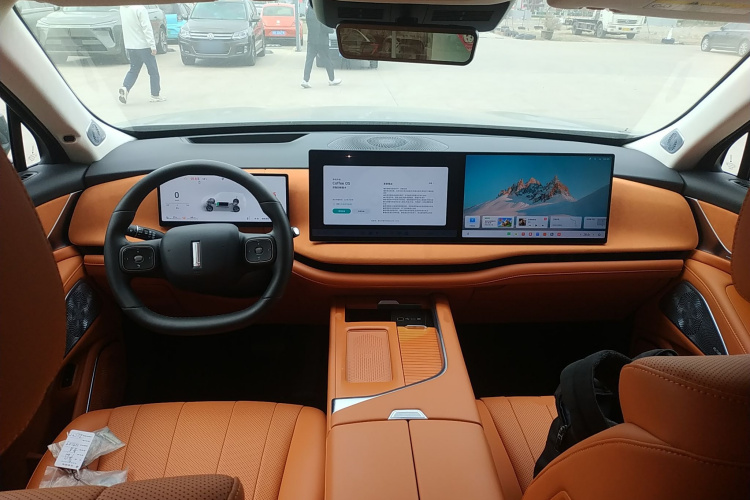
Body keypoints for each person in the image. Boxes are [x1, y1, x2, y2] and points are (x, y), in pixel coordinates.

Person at [118, 5, 165, 103]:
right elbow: (147, 28)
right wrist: (152, 46)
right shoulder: (140, 9)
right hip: (144, 46)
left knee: (133, 69)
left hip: (131, 45)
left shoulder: (123, 7)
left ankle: (125, 87)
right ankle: (155, 95)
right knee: (153, 71)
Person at [301, 3, 340, 88]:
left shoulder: (308, 12)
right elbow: (323, 26)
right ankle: (332, 79)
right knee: (327, 60)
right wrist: (332, 30)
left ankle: (305, 80)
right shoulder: (319, 11)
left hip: (311, 40)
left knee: (309, 61)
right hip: (322, 41)